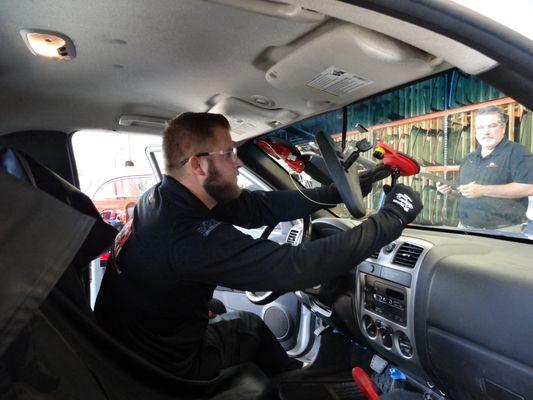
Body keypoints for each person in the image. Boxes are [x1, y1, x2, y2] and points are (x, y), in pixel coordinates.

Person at [95, 112, 422, 380]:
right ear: (198, 165)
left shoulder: (167, 196)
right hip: (162, 369)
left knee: (221, 311)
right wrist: (391, 218)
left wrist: (341, 190)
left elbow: (260, 208)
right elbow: (296, 266)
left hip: (131, 349)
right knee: (250, 327)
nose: (237, 163)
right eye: (228, 154)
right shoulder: (187, 235)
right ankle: (292, 386)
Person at [437, 105, 533, 231]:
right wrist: (450, 191)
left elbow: (528, 188)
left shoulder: (517, 152)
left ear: (503, 128)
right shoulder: (469, 158)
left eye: (492, 126)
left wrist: (483, 190)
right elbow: (465, 193)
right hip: (465, 228)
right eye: (480, 127)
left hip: (503, 231)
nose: (486, 132)